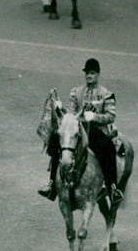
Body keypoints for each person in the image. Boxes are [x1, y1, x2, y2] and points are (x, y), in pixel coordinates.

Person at [39, 58, 123, 204]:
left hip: (96, 130)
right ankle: (52, 184)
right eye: (87, 73)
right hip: (77, 128)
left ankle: (112, 187)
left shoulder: (106, 94)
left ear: (97, 74)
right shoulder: (76, 92)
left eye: (92, 73)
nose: (89, 76)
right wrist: (60, 108)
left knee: (108, 148)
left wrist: (95, 116)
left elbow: (111, 116)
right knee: (55, 142)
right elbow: (70, 111)